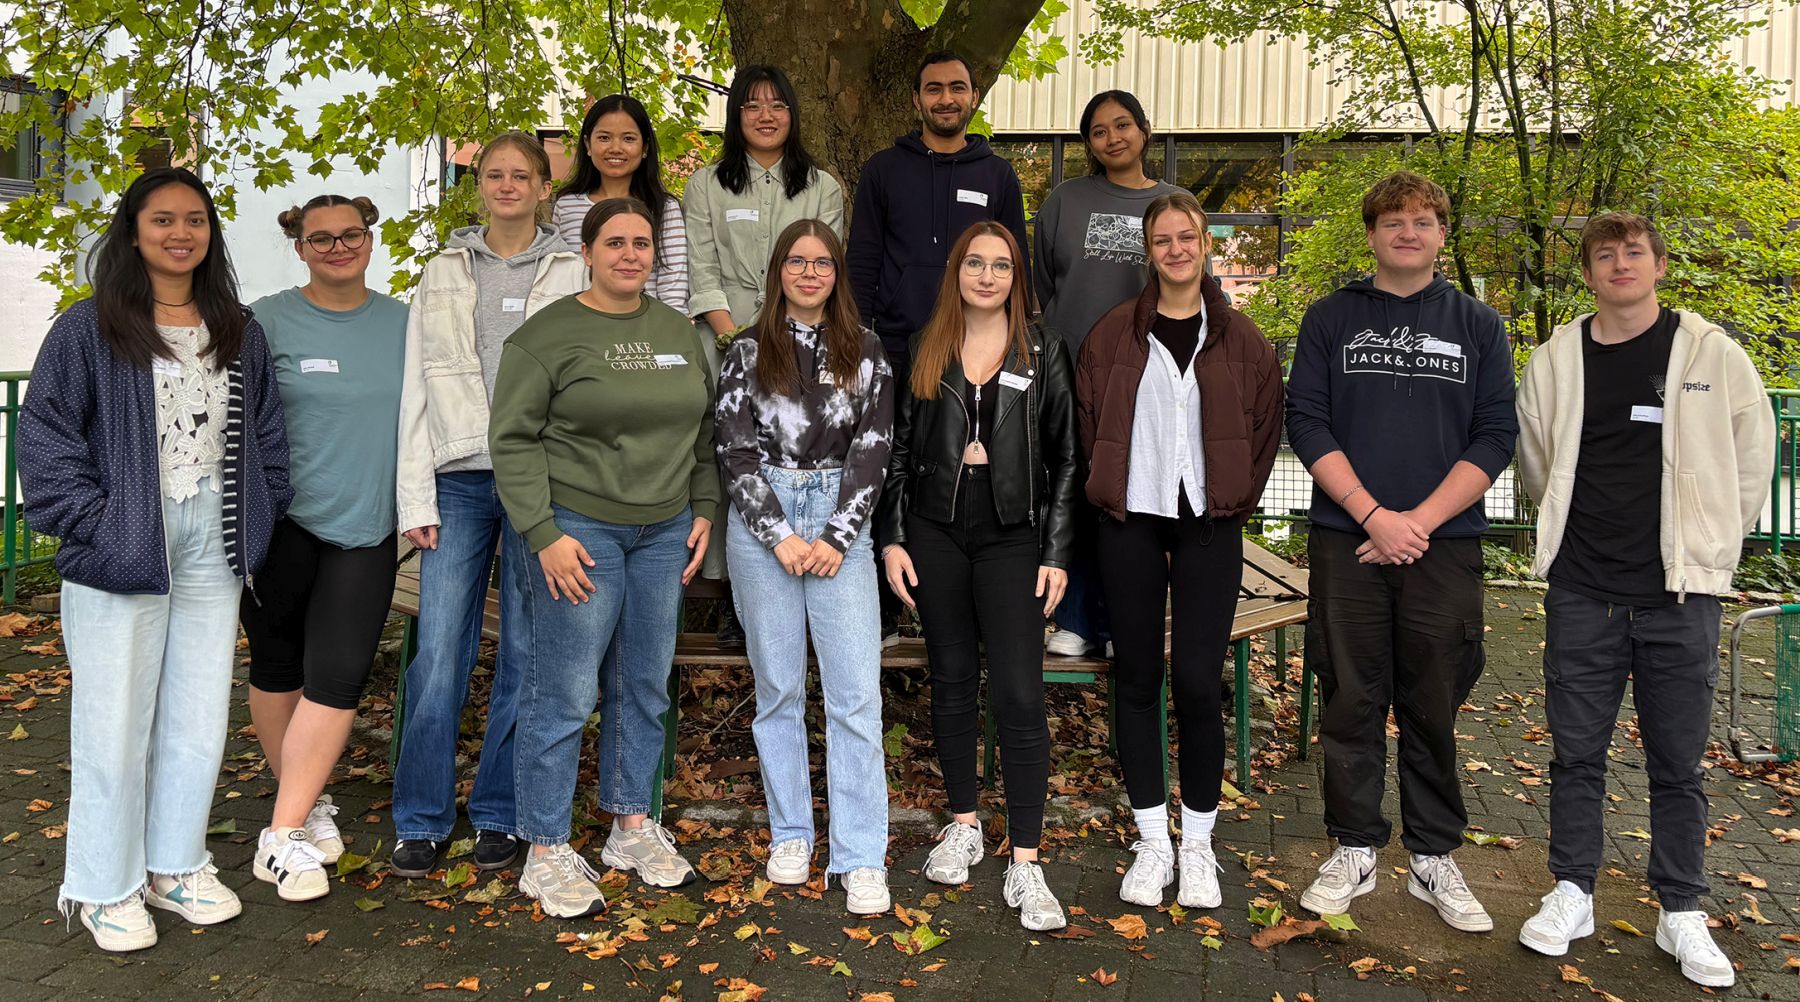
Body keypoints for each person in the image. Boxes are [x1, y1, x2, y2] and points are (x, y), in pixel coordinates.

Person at [19, 167, 290, 950]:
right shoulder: (89, 327)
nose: (182, 233)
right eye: (164, 219)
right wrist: (95, 525)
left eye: (196, 220)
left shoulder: (236, 325)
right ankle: (104, 886)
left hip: (217, 539)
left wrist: (263, 510)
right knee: (113, 722)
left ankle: (176, 865)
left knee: (200, 716)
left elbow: (267, 434)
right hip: (126, 537)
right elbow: (45, 434)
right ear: (133, 232)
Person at [1514, 212, 1772, 987]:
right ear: (1588, 273)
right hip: (1584, 590)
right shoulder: (1557, 358)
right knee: (1577, 753)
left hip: (1681, 596)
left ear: (1659, 265)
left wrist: (1709, 542)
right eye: (1604, 254)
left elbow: (1751, 462)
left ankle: (1681, 909)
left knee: (1677, 762)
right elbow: (1535, 460)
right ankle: (1573, 890)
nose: (1620, 264)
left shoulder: (1712, 355)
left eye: (1634, 252)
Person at [1285, 170, 1517, 932]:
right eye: (1393, 221)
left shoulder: (1480, 326)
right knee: (1349, 696)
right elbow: (1308, 424)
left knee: (1435, 698)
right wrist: (1373, 516)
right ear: (1372, 233)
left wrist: (1416, 521)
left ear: (1443, 234)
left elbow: (1495, 434)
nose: (1408, 231)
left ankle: (1432, 856)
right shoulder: (1330, 319)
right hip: (1346, 540)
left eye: (1423, 220)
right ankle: (1352, 846)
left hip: (1443, 545)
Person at [491, 197, 719, 918]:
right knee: (565, 692)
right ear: (585, 250)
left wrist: (706, 508)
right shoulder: (546, 337)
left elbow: (705, 430)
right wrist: (542, 532)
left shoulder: (677, 332)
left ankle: (628, 825)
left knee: (644, 685)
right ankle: (547, 848)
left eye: (642, 243)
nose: (630, 254)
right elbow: (513, 440)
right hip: (578, 533)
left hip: (663, 533)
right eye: (615, 242)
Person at [1075, 192, 1284, 909]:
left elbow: (1262, 434)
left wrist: (1230, 498)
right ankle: (1150, 840)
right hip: (1130, 520)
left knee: (1197, 680)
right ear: (1148, 250)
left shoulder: (1242, 341)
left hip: (1207, 523)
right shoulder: (1111, 338)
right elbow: (1086, 425)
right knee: (1135, 676)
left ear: (1205, 244)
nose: (1175, 249)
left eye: (1186, 237)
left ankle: (1197, 845)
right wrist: (1110, 490)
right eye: (1161, 239)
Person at [391, 131, 588, 879]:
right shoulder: (442, 270)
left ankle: (499, 812)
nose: (507, 185)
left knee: (528, 655)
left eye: (522, 175)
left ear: (545, 187)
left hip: (541, 482)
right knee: (441, 653)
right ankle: (421, 818)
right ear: (479, 186)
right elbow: (417, 382)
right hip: (459, 481)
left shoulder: (572, 269)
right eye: (494, 174)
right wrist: (415, 493)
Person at [877, 221, 1078, 932]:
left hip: (1014, 538)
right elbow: (897, 450)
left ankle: (1026, 859)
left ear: (1015, 276)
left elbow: (1068, 460)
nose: (986, 275)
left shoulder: (1044, 347)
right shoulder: (928, 346)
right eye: (974, 263)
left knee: (1021, 693)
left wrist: (1056, 551)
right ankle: (963, 821)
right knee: (952, 679)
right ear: (957, 271)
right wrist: (893, 539)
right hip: (935, 533)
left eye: (1000, 265)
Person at [715, 219, 894, 914]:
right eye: (798, 261)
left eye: (823, 263)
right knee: (779, 691)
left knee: (855, 696)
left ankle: (860, 854)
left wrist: (837, 535)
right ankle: (792, 833)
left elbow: (876, 447)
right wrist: (779, 535)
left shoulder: (867, 349)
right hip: (767, 524)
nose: (810, 273)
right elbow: (733, 448)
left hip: (840, 521)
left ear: (837, 273)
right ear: (779, 271)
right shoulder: (746, 350)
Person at [240, 194, 407, 901]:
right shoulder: (265, 320)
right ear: (300, 246)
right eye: (322, 239)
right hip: (280, 525)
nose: (339, 247)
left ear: (370, 240)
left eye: (352, 235)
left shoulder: (407, 322)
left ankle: (277, 837)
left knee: (338, 676)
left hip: (367, 525)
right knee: (279, 670)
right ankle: (305, 808)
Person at [847, 49, 1031, 642]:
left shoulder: (996, 174)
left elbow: (1014, 264)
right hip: (898, 346)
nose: (945, 98)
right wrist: (862, 341)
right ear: (916, 100)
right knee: (887, 466)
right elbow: (865, 259)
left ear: (973, 97)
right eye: (933, 89)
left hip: (975, 350)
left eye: (957, 87)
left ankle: (950, 604)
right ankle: (884, 603)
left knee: (961, 468)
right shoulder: (882, 169)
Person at [685, 64, 846, 646]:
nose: (766, 115)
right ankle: (732, 590)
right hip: (724, 338)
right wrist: (740, 342)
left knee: (794, 452)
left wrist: (778, 338)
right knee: (733, 456)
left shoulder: (822, 186)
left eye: (777, 104)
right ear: (736, 115)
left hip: (802, 341)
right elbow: (702, 271)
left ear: (792, 114)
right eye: (752, 105)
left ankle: (801, 574)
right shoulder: (707, 184)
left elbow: (820, 266)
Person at [1034, 89, 1183, 659]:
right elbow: (1045, 285)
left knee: (1136, 497)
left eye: (1123, 125)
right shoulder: (1065, 201)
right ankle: (1073, 619)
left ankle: (1126, 620)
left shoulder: (1175, 202)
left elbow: (1192, 280)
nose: (1113, 137)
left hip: (1148, 374)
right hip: (1071, 372)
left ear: (1145, 130)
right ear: (1089, 144)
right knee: (1074, 490)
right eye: (1099, 131)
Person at [553, 94, 687, 313]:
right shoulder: (567, 205)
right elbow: (560, 277)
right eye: (604, 138)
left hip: (648, 329)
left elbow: (674, 288)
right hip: (581, 326)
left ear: (645, 148)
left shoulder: (664, 207)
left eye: (628, 139)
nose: (616, 148)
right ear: (588, 144)